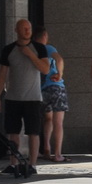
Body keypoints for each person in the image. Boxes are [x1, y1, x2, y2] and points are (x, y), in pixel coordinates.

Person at [0, 19, 50, 167]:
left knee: (33, 132)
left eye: (29, 28)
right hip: (13, 97)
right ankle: (13, 164)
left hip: (33, 98)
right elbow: (2, 74)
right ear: (16, 30)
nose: (27, 31)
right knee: (13, 132)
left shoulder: (39, 48)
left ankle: (33, 164)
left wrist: (30, 55)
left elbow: (45, 69)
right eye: (23, 28)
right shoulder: (9, 49)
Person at [30, 28, 68, 163]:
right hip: (56, 86)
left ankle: (46, 148)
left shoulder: (33, 50)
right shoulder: (48, 48)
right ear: (45, 36)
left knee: (47, 119)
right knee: (58, 121)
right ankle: (57, 154)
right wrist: (60, 74)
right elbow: (59, 59)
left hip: (41, 88)